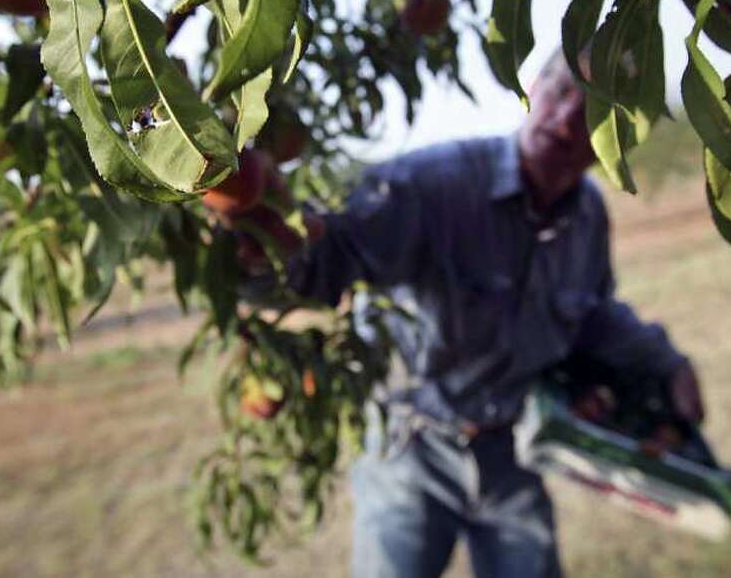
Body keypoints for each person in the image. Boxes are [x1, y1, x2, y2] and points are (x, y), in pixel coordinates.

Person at [260, 51, 704, 578]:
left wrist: (667, 361)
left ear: (621, 135)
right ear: (533, 86)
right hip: (410, 452)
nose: (565, 118)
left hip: (512, 451)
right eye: (561, 91)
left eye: (593, 113)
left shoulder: (587, 216)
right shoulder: (430, 186)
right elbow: (323, 260)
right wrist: (254, 224)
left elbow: (592, 314)